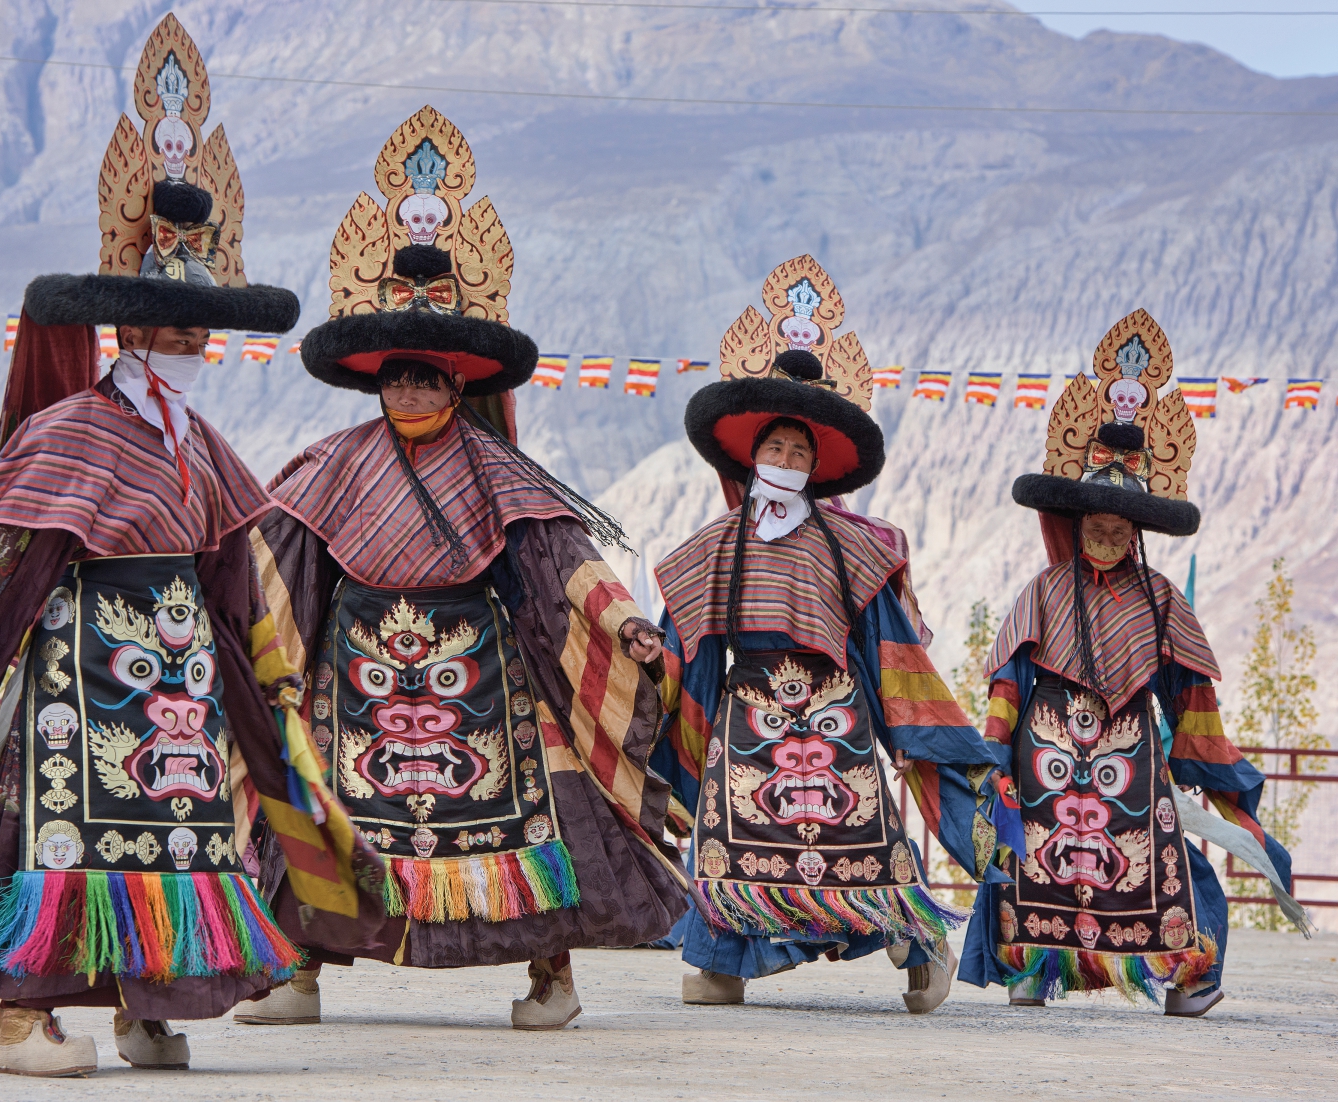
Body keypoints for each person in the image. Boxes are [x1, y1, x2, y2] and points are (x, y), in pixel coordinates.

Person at [0, 17, 379, 1076]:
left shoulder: (208, 445)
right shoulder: (73, 435)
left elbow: (240, 570)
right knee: (57, 832)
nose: (187, 335)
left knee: (185, 840)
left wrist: (273, 673)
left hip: (180, 685)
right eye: (165, 318)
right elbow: (7, 566)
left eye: (198, 320)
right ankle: (22, 1015)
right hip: (81, 670)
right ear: (124, 325)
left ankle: (150, 1005)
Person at [239, 106, 687, 1031]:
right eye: (396, 375)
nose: (409, 389)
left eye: (427, 377)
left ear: (457, 383)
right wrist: (234, 627)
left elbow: (561, 560)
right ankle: (297, 971)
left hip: (480, 671)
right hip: (351, 674)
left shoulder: (500, 471)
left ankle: (551, 973)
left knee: (544, 812)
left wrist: (622, 621)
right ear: (376, 380)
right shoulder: (329, 465)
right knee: (314, 804)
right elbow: (277, 566)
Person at [653, 255, 1010, 1013]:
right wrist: (648, 659)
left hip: (837, 718)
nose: (784, 461)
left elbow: (889, 646)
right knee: (731, 836)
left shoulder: (856, 547)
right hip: (744, 715)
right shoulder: (716, 544)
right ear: (751, 457)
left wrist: (911, 729)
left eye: (798, 453)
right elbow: (683, 636)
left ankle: (922, 948)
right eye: (773, 450)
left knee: (860, 843)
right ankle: (722, 962)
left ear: (817, 466)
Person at [960, 308, 1307, 1017]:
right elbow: (1007, 682)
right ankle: (1036, 968)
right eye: (1098, 523)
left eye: (1122, 525)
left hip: (1134, 760)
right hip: (1045, 754)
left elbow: (1193, 699)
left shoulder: (1161, 601)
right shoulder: (1044, 591)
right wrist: (994, 755)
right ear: (1076, 522)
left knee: (1164, 861)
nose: (1110, 532)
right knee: (1038, 857)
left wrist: (1210, 769)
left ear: (1139, 527)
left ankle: (1185, 977)